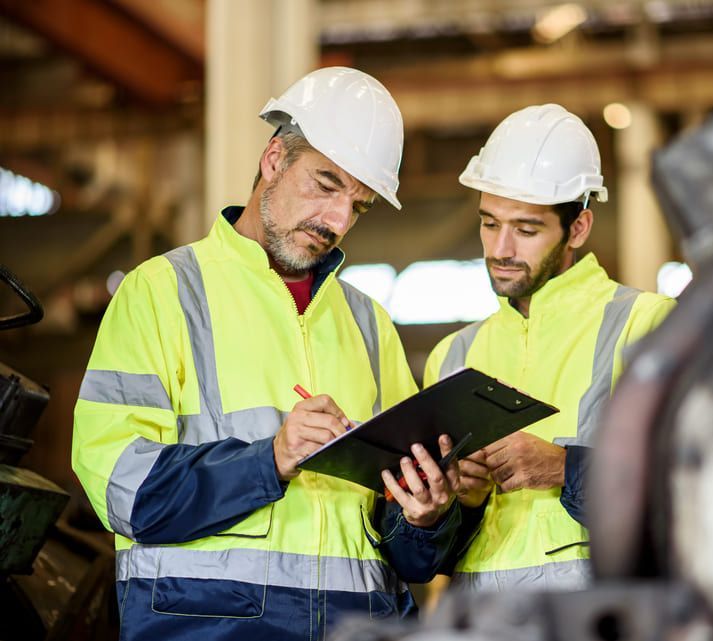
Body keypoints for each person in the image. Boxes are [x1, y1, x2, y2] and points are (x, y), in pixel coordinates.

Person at [73, 67, 463, 640]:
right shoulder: (161, 292)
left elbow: (406, 555)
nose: (336, 221)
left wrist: (424, 516)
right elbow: (120, 489)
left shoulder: (368, 323)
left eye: (358, 206)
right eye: (326, 185)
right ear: (274, 159)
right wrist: (269, 459)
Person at [423, 104, 675, 592]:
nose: (500, 249)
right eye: (489, 223)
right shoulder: (453, 354)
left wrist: (565, 468)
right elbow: (433, 552)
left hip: (594, 613)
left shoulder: (646, 325)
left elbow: (687, 489)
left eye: (526, 229)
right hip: (481, 621)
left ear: (578, 228)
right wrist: (458, 500)